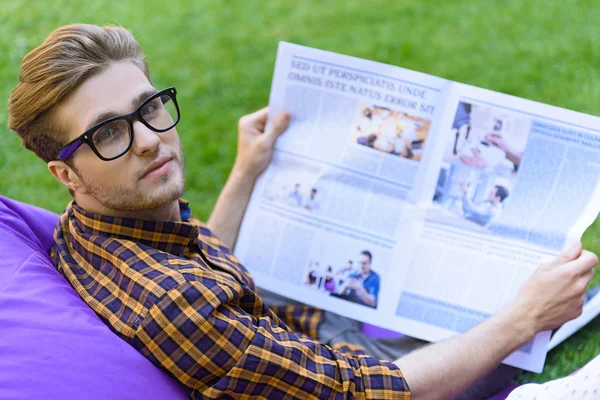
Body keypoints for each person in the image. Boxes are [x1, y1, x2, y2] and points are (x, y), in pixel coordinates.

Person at [7, 24, 598, 400]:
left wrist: (246, 171)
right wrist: (522, 320)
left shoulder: (103, 226)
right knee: (512, 338)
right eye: (109, 132)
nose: (147, 141)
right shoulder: (176, 306)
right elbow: (367, 392)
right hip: (339, 374)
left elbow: (197, 260)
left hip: (298, 334)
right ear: (64, 172)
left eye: (149, 108)